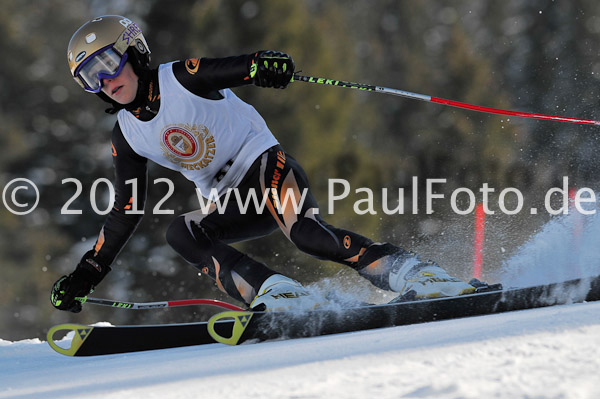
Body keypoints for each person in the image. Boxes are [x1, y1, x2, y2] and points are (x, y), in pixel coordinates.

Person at [51, 15, 476, 314]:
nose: (105, 81)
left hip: (265, 166)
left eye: (107, 64)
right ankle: (277, 293)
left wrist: (264, 65)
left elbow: (236, 68)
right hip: (230, 200)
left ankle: (419, 275)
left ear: (134, 52)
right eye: (90, 78)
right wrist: (88, 271)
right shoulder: (126, 134)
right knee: (181, 232)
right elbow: (126, 210)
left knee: (308, 234)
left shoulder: (180, 77)